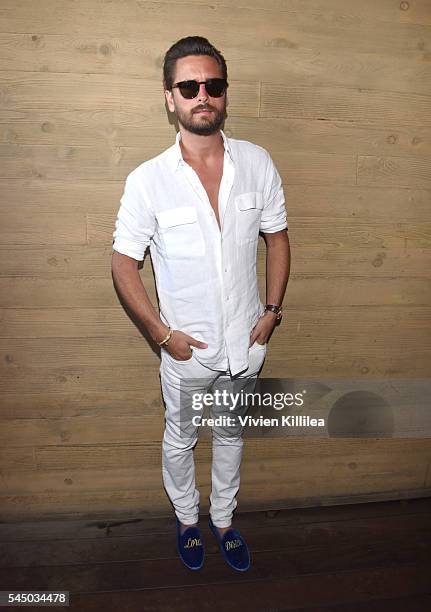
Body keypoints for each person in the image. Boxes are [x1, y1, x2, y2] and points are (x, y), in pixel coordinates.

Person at [111, 35, 290, 571]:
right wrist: (165, 337)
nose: (202, 95)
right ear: (170, 97)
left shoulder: (257, 163)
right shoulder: (148, 181)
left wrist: (272, 313)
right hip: (186, 352)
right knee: (182, 438)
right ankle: (188, 519)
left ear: (225, 94)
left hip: (247, 343)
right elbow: (124, 265)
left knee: (233, 433)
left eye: (212, 85)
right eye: (189, 86)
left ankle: (224, 520)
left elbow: (276, 237)